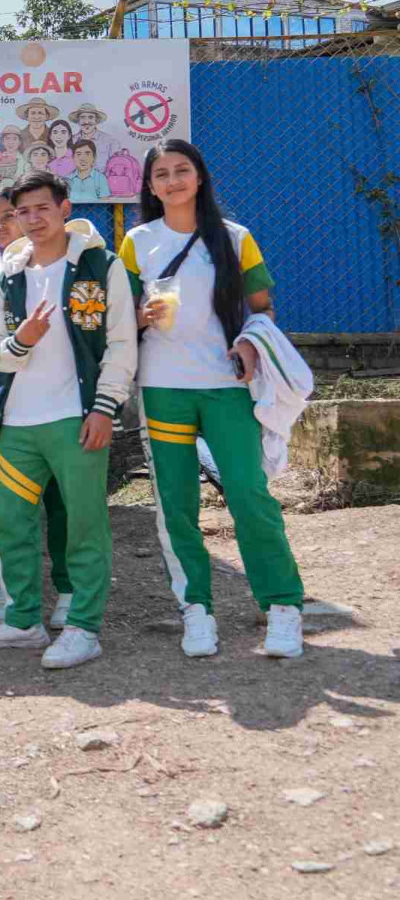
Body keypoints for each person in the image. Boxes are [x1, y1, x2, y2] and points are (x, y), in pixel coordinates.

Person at [120, 139, 306, 659]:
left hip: (227, 386)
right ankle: (196, 610)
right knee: (176, 505)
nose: (173, 180)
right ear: (151, 186)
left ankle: (283, 606)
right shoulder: (136, 242)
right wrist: (137, 317)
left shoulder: (237, 237)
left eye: (182, 170)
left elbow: (262, 309)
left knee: (249, 494)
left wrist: (248, 342)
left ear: (200, 177)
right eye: (162, 173)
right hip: (162, 389)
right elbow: (119, 316)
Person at [0, 172, 135, 670]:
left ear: (65, 208)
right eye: (22, 212)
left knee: (85, 525)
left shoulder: (100, 264)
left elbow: (122, 344)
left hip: (76, 418)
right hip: (19, 423)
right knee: (12, 525)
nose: (32, 219)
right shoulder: (9, 273)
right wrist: (22, 340)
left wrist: (106, 408)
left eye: (42, 208)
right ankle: (24, 620)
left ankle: (84, 627)